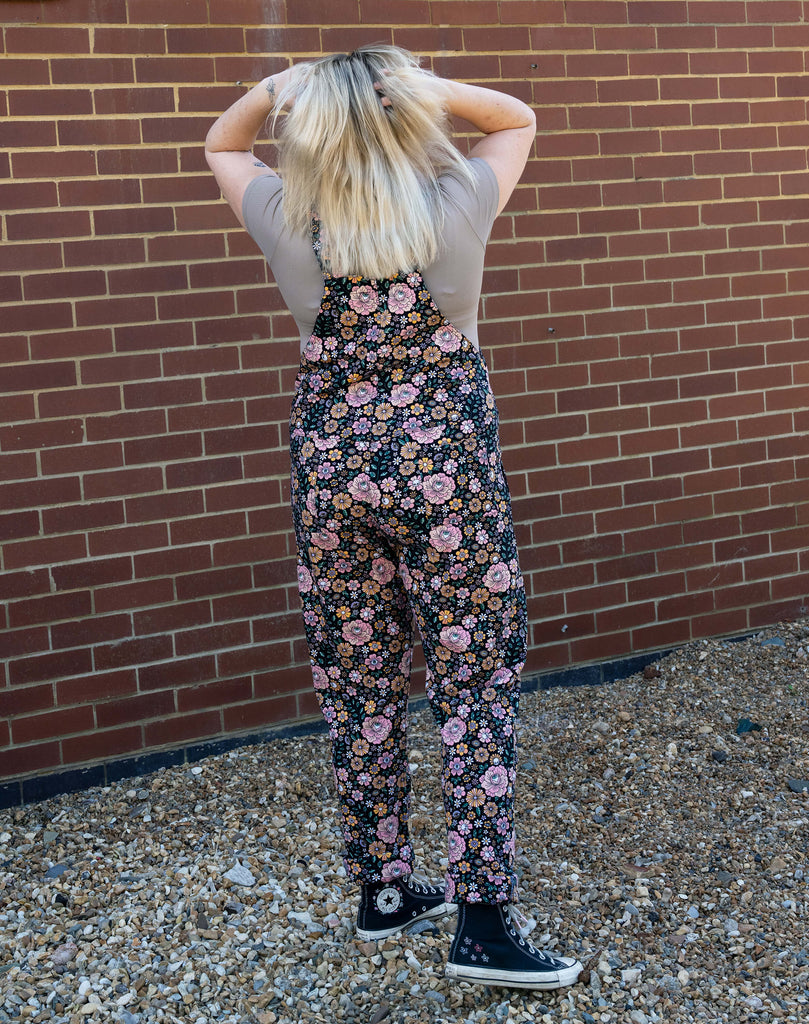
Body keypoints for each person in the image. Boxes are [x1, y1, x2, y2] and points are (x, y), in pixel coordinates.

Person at [205, 45, 581, 991]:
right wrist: (425, 87)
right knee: (472, 684)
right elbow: (514, 117)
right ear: (401, 112)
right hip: (443, 477)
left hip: (330, 472)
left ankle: (383, 891)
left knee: (357, 682)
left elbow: (222, 142)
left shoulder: (289, 218)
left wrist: (275, 90)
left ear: (314, 128)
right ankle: (484, 924)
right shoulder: (453, 204)